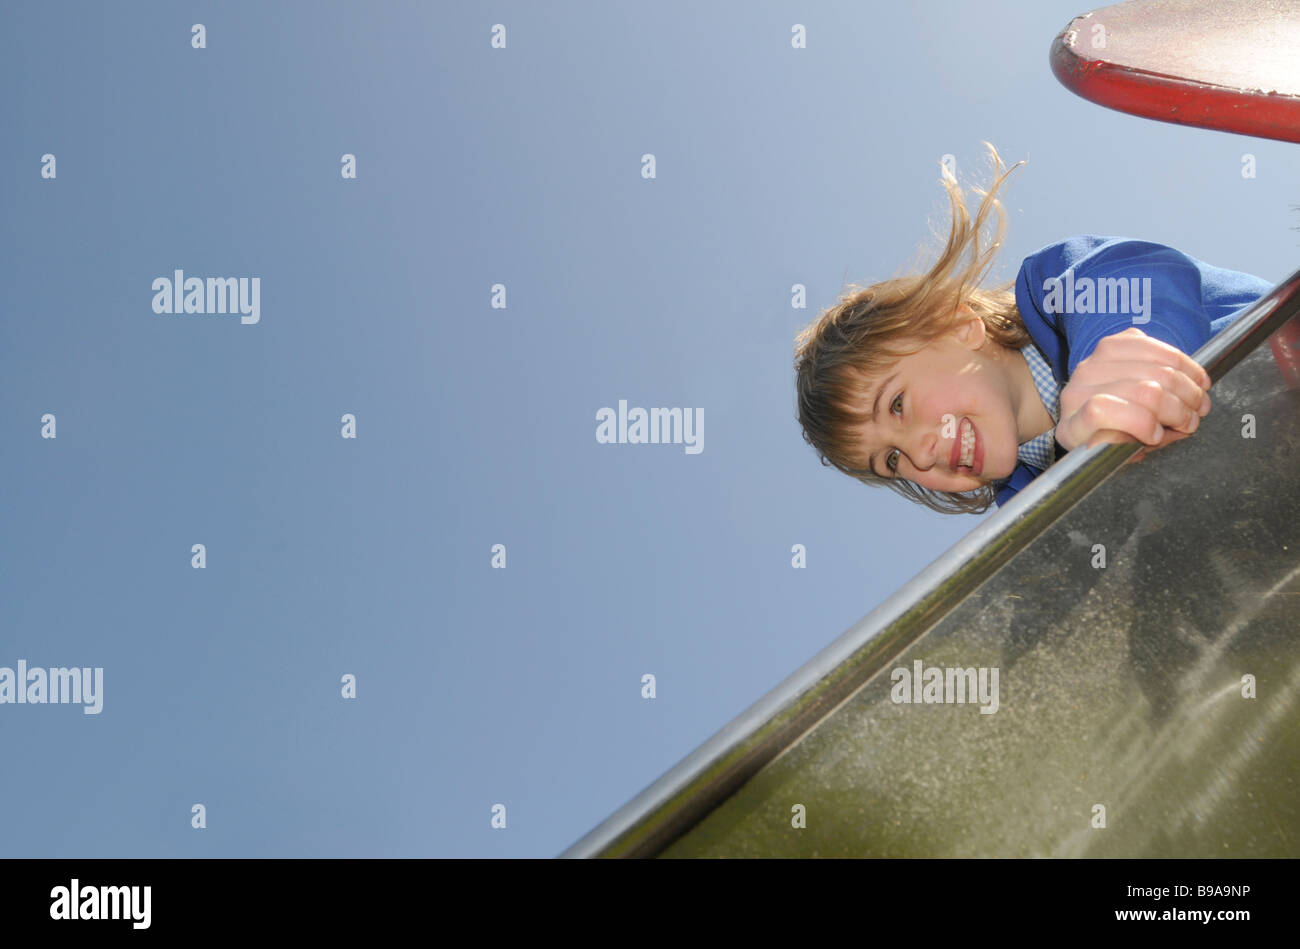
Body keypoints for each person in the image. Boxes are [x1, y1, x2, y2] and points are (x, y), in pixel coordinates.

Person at [794, 143, 1272, 513]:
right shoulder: (1031, 514)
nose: (919, 455)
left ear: (957, 325)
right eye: (892, 462)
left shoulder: (1058, 287)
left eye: (897, 405)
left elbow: (1130, 284)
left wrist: (1114, 368)